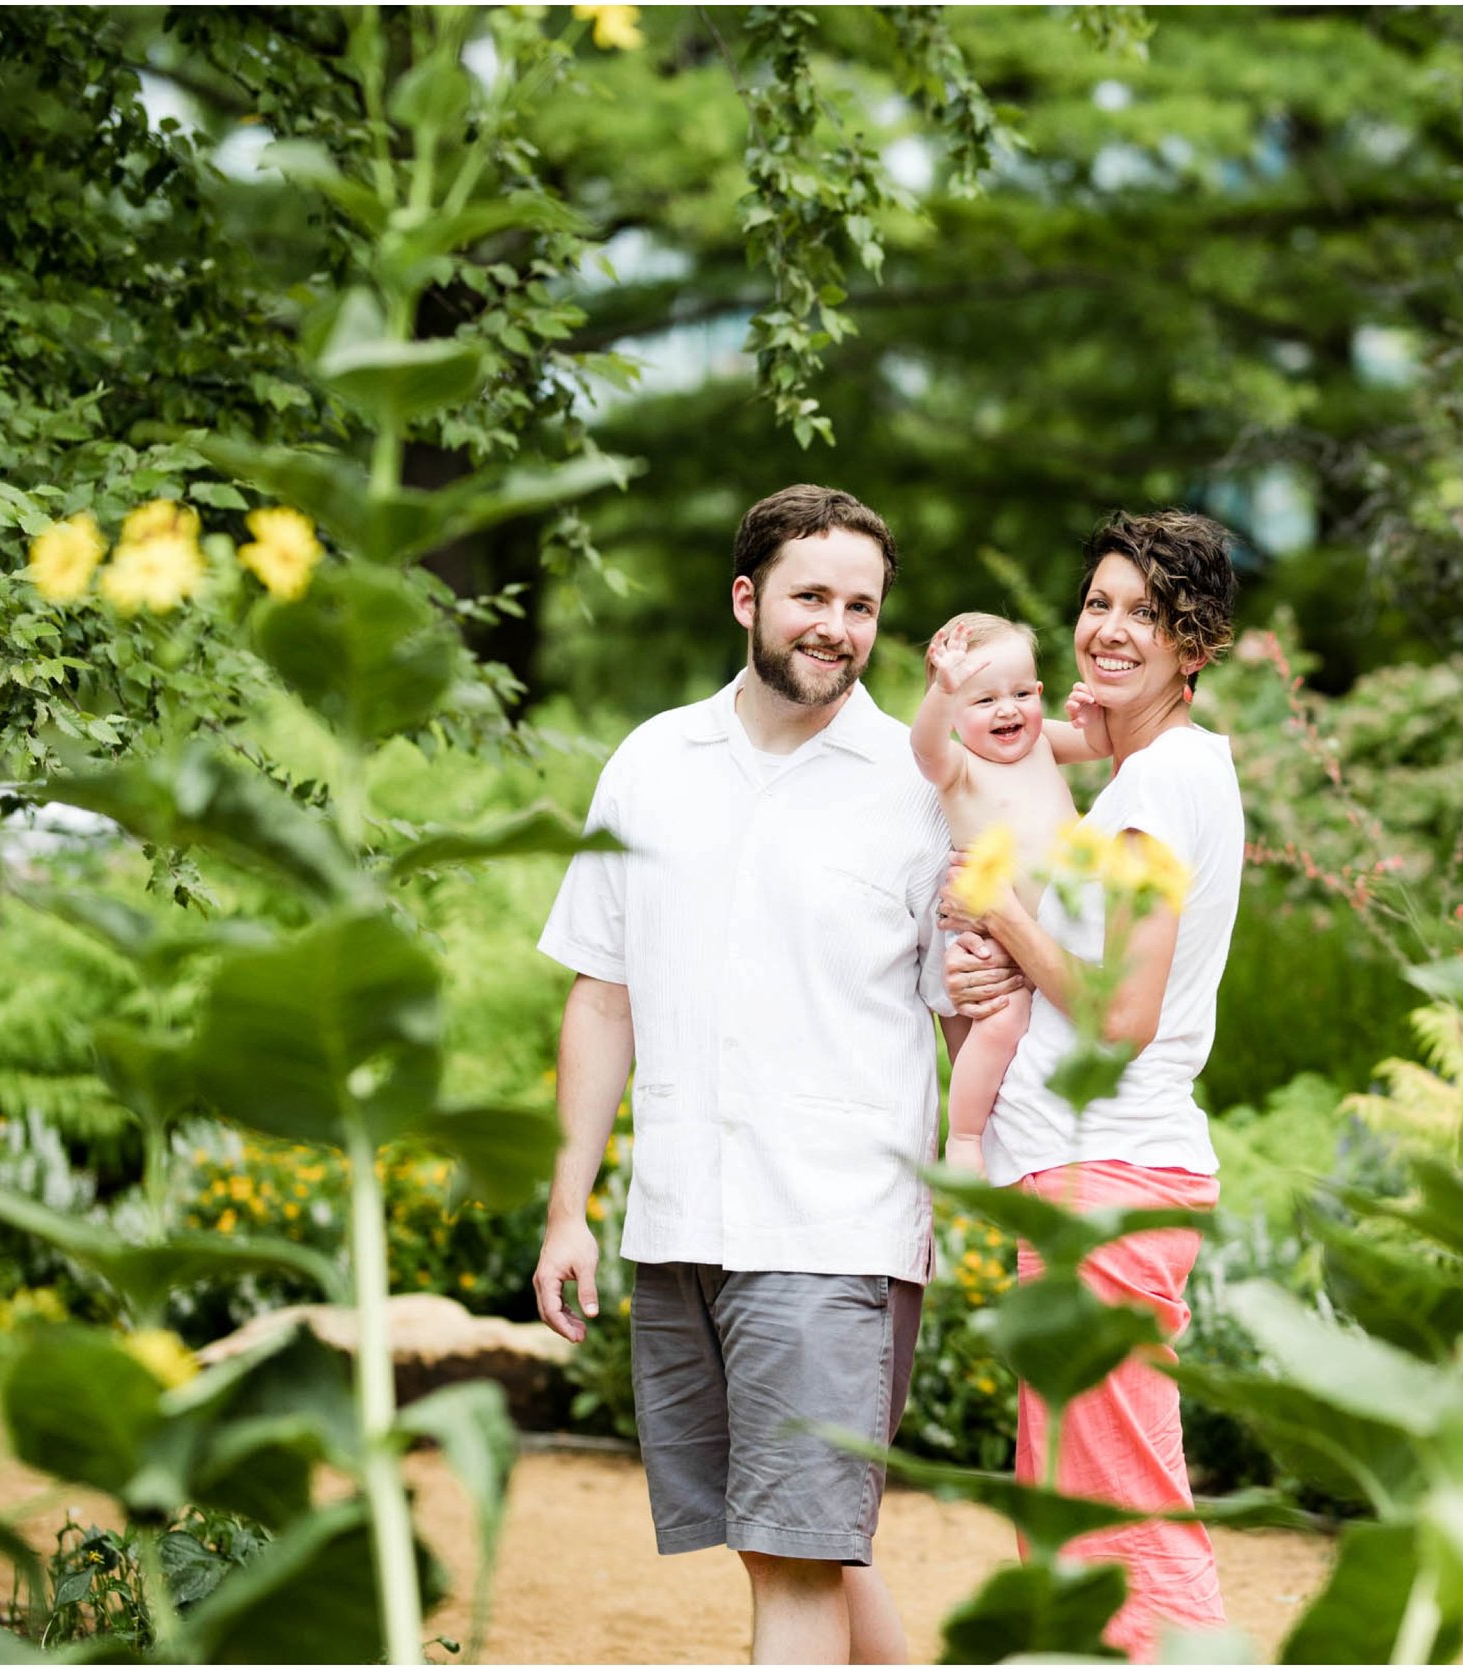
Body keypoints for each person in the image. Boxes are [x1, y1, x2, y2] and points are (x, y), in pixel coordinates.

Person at [531, 484, 962, 1666]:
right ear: (746, 598)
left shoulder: (924, 784)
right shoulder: (651, 761)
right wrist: (569, 1209)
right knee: (781, 1540)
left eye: (862, 604)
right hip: (680, 1215)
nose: (837, 624)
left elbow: (973, 1020)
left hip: (835, 1221)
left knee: (799, 1554)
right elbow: (602, 991)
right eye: (812, 595)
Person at [941, 509, 1243, 1662]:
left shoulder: (1152, 790)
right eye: (1100, 604)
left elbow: (1123, 1012)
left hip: (1101, 1183)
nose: (1112, 630)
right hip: (1108, 1176)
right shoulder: (1171, 764)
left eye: (1147, 615)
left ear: (1193, 643)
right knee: (1079, 1511)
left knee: (1118, 1522)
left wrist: (1005, 910)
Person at [910, 612, 1110, 1174]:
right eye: (983, 700)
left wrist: (1093, 718)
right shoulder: (959, 767)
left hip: (1060, 927)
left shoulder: (1042, 741)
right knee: (1003, 1021)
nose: (1007, 709)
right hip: (993, 928)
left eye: (1021, 693)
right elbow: (922, 748)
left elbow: (1099, 744)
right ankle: (967, 1137)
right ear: (952, 713)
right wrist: (943, 693)